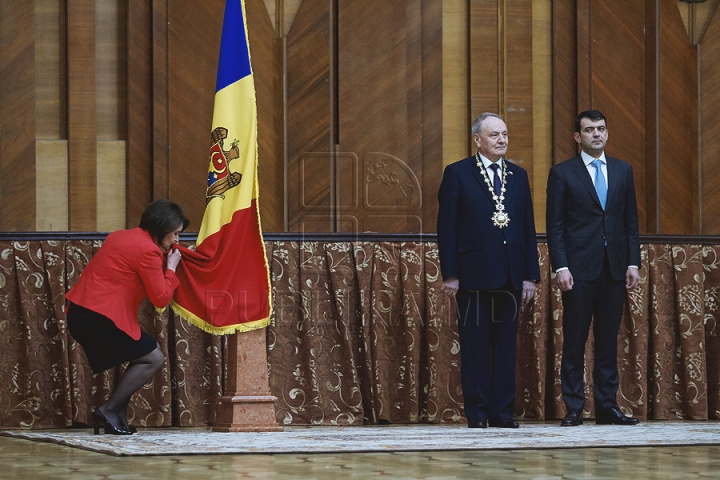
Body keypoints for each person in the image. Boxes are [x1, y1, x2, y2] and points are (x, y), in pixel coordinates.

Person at [437, 112, 540, 429]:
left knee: (506, 348)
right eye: (494, 135)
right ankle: (478, 413)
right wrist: (450, 273)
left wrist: (530, 275)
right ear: (477, 140)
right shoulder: (457, 174)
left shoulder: (519, 176)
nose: (502, 140)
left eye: (505, 134)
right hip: (473, 275)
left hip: (510, 274)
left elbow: (527, 228)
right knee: (476, 346)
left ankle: (502, 413)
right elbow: (447, 227)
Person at [546, 110, 641, 427]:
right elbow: (555, 226)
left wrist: (632, 261)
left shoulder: (622, 170)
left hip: (614, 268)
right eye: (589, 130)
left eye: (601, 129)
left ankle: (606, 407)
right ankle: (573, 407)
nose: (597, 134)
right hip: (577, 270)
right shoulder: (562, 173)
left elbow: (630, 221)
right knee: (574, 341)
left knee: (607, 341)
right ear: (578, 137)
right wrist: (560, 266)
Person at [65, 199, 188, 435]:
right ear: (160, 229)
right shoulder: (148, 250)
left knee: (145, 355)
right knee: (152, 357)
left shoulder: (119, 236)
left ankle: (116, 413)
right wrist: (171, 267)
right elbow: (161, 298)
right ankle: (109, 410)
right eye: (174, 234)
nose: (176, 241)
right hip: (97, 318)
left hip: (82, 313)